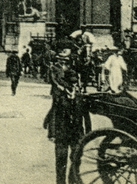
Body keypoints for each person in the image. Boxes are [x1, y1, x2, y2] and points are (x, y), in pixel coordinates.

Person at [44, 48, 89, 184]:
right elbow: (54, 113)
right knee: (61, 161)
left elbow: (86, 117)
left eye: (76, 83)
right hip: (62, 134)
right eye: (72, 83)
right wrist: (52, 133)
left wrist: (89, 133)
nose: (74, 86)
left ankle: (73, 180)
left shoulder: (80, 98)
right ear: (67, 83)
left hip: (76, 133)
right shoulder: (60, 97)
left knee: (76, 158)